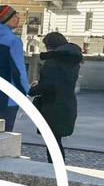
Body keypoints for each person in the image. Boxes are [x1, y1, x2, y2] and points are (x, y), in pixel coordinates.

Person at [29, 32, 82, 162]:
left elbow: (47, 85)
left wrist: (32, 89)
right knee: (55, 140)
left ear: (51, 46)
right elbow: (59, 82)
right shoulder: (72, 60)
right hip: (66, 104)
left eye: (46, 46)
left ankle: (55, 170)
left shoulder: (54, 62)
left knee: (53, 142)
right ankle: (56, 168)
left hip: (53, 106)